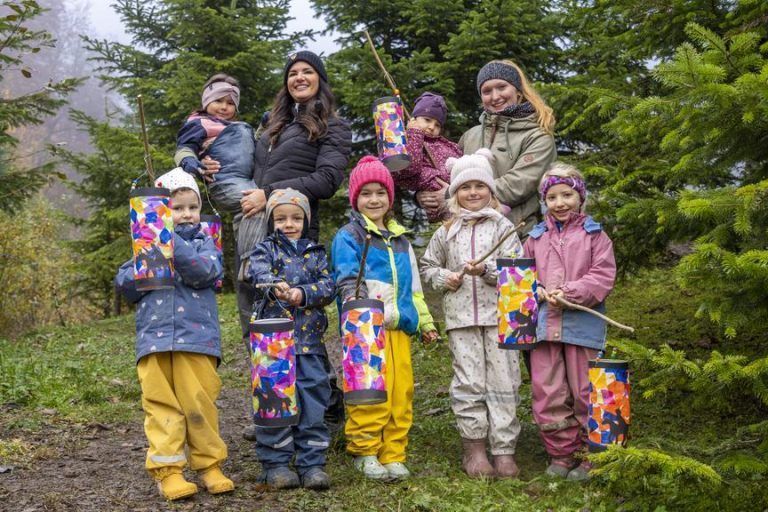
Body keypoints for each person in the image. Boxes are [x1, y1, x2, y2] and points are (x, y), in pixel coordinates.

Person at [115, 168, 234, 501]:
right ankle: (168, 472)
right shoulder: (146, 243)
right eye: (176, 208)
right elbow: (126, 287)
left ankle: (209, 465)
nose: (185, 214)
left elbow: (203, 272)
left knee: (199, 403)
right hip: (154, 340)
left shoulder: (205, 242)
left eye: (191, 207)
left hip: (196, 340)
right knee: (160, 405)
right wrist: (147, 251)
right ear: (161, 211)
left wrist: (171, 240)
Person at [331, 156, 439, 481]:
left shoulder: (402, 241)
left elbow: (415, 289)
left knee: (400, 391)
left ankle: (393, 451)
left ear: (390, 197)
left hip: (399, 328)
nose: (374, 199)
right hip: (365, 328)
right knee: (369, 391)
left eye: (380, 192)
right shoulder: (349, 236)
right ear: (355, 199)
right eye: (366, 194)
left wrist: (426, 323)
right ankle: (364, 450)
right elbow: (346, 275)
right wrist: (354, 299)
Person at [236, 49, 352, 346]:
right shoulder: (274, 127)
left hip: (294, 235)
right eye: (292, 73)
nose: (299, 77)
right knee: (256, 317)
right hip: (257, 232)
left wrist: (269, 195)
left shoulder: (333, 126)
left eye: (307, 71)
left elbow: (327, 180)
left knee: (297, 323)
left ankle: (316, 390)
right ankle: (269, 388)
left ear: (320, 80)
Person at [420, 149, 523, 478]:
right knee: (469, 381)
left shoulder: (504, 228)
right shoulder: (446, 231)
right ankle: (474, 449)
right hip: (461, 320)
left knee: (503, 380)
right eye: (465, 187)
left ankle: (504, 450)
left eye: (480, 186)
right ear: (454, 194)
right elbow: (428, 267)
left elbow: (516, 272)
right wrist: (443, 277)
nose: (473, 192)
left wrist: (489, 271)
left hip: (499, 319)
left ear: (491, 192)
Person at [523, 162, 616, 481]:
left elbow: (602, 275)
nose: (560, 203)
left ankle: (594, 455)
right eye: (552, 197)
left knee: (585, 389)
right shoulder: (535, 238)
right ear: (544, 201)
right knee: (547, 390)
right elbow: (524, 278)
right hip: (545, 328)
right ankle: (561, 453)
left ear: (580, 197)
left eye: (567, 195)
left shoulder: (595, 236)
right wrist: (537, 290)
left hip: (582, 328)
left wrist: (570, 292)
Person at [246, 188, 336, 491]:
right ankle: (276, 463)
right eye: (281, 218)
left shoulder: (316, 252)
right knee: (274, 403)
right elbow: (256, 275)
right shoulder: (265, 250)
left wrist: (302, 294)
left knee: (313, 398)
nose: (289, 223)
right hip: (273, 344)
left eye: (296, 217)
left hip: (310, 342)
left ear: (305, 220)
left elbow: (328, 286)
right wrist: (276, 287)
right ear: (272, 221)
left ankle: (312, 463)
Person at [417, 59, 557, 235]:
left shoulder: (538, 136)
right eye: (487, 91)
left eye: (501, 87)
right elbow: (442, 172)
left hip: (515, 239)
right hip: (466, 240)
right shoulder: (470, 136)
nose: (495, 96)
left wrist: (451, 194)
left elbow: (518, 185)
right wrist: (425, 195)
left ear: (518, 91)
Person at [174, 73, 256, 214]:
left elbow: (253, 148)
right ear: (207, 101)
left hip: (249, 180)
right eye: (218, 101)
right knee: (251, 205)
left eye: (230, 103)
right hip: (225, 181)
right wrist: (189, 161)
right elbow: (184, 147)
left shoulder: (234, 127)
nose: (224, 107)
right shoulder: (199, 123)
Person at [392, 92, 462, 222]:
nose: (431, 127)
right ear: (413, 119)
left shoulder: (446, 145)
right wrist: (415, 134)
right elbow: (409, 168)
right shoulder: (402, 141)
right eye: (427, 120)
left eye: (437, 125)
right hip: (441, 211)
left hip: (461, 202)